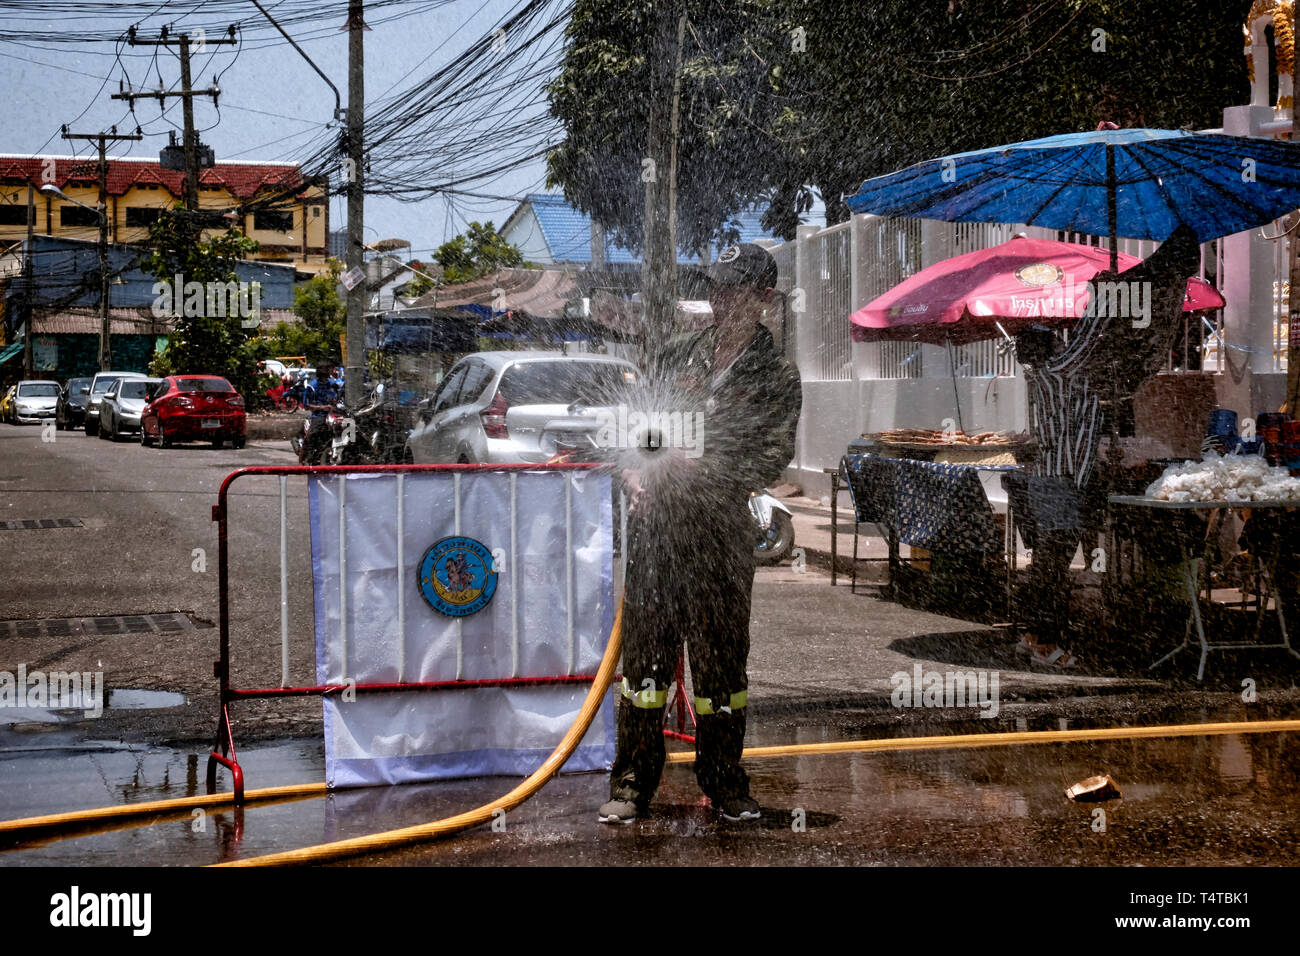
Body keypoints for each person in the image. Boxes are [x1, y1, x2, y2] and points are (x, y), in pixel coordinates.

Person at [598, 243, 802, 824]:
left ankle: (724, 783)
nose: (720, 298)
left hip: (717, 542)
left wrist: (698, 461)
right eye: (715, 286)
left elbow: (771, 454)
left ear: (763, 299)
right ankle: (633, 783)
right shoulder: (673, 354)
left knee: (720, 674)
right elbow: (632, 425)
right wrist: (634, 470)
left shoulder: (776, 376)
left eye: (734, 289)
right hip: (657, 537)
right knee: (643, 669)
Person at [1013, 225, 1201, 667]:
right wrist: (1107, 297)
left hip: (1054, 476)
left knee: (1050, 562)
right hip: (1063, 479)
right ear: (1045, 349)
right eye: (1052, 338)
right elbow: (1091, 338)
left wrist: (1109, 298)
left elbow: (1089, 345)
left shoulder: (1044, 373)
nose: (1061, 339)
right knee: (1054, 563)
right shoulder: (1061, 369)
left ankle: (1033, 635)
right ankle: (1044, 642)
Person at [299, 365, 342, 465]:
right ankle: (301, 460)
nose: (325, 380)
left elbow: (339, 397)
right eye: (323, 377)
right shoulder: (312, 386)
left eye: (326, 377)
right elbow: (306, 405)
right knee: (310, 436)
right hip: (318, 416)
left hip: (332, 414)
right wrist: (322, 408)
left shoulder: (333, 384)